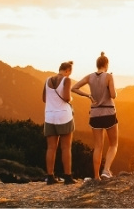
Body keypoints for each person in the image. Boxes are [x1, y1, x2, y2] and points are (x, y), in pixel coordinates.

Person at [72, 52, 119, 180]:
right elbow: (113, 95)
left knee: (98, 146)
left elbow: (74, 88)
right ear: (106, 65)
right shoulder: (109, 76)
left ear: (97, 64)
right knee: (113, 144)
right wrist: (111, 84)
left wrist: (88, 95)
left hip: (95, 114)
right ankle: (106, 170)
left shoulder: (89, 77)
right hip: (109, 113)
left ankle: (96, 176)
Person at [42, 61, 76, 185]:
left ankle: (50, 177)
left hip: (49, 116)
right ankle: (67, 177)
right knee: (66, 147)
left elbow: (44, 99)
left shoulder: (47, 80)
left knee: (51, 148)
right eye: (70, 72)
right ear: (67, 70)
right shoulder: (66, 80)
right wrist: (71, 98)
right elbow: (67, 97)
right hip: (63, 116)